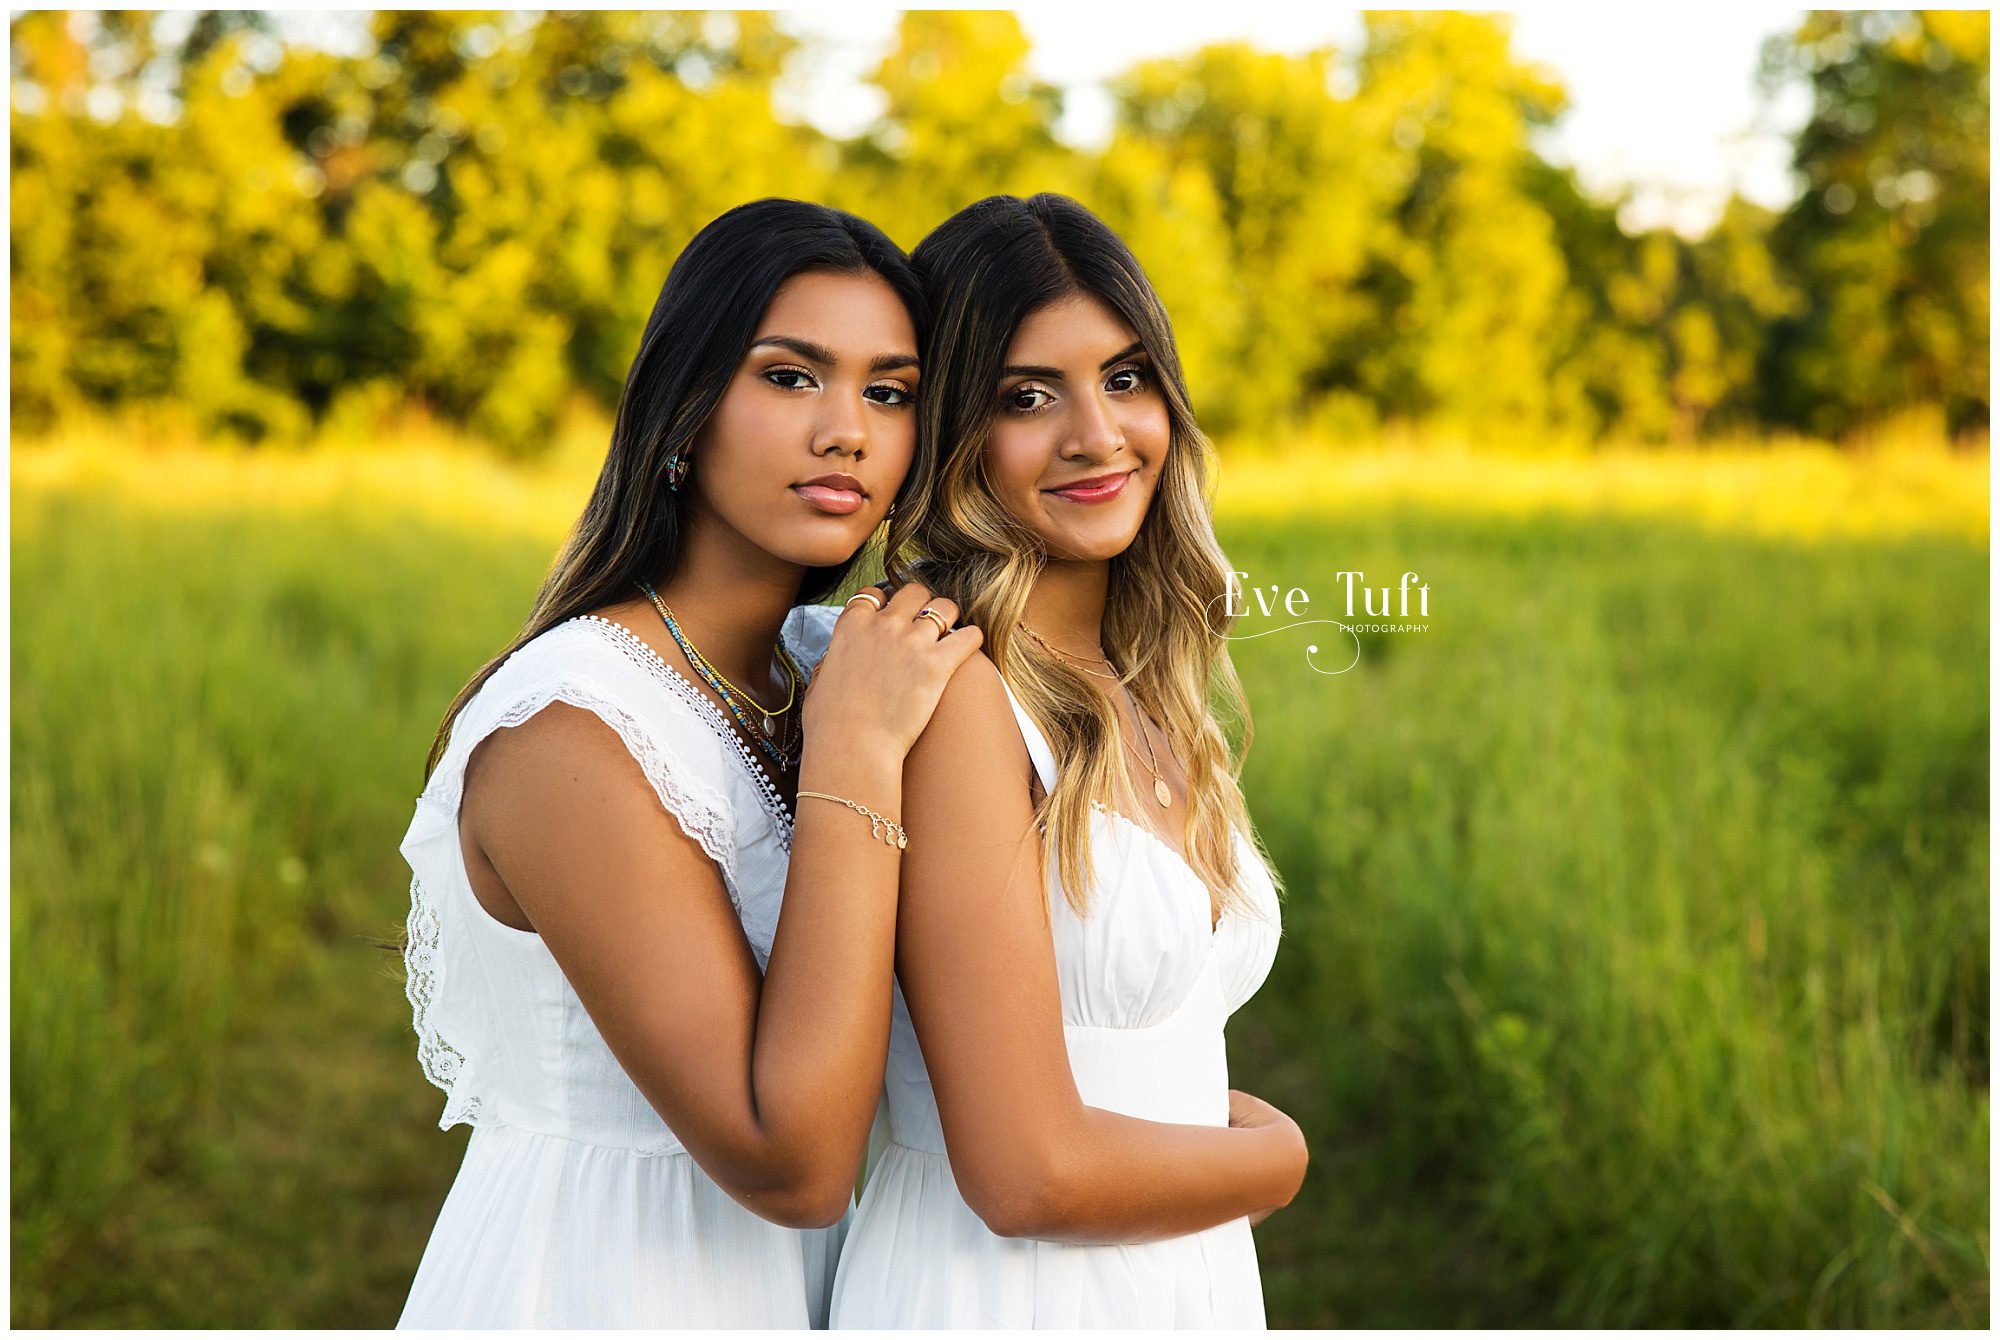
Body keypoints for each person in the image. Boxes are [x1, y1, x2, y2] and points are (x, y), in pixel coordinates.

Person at [395, 198, 982, 1328]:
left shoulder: (819, 667)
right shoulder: (572, 727)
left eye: (890, 391)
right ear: (685, 407)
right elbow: (791, 1162)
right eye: (789, 377)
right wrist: (858, 752)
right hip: (598, 1283)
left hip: (799, 1290)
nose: (847, 431)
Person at [828, 193, 1307, 1329]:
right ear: (952, 430)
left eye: (1126, 377)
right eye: (1027, 396)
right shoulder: (957, 690)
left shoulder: (1143, 684)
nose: (1097, 434)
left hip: (1174, 1282)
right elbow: (1024, 1174)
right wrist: (1276, 1158)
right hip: (1002, 1294)